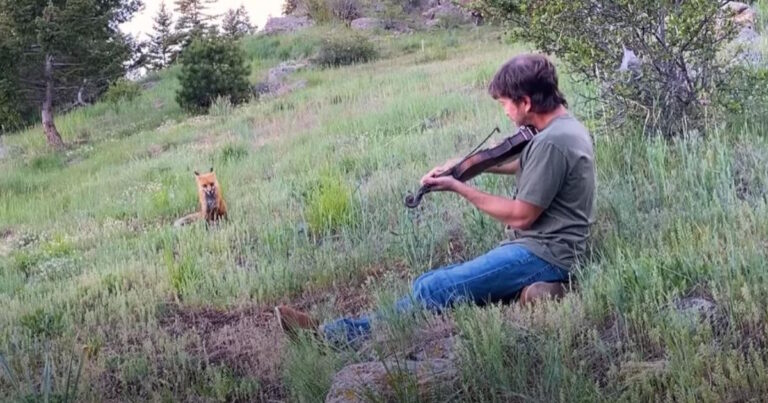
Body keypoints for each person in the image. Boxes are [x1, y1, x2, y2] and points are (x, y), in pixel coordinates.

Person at [275, 53, 596, 344]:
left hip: (544, 254)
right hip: (548, 249)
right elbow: (525, 164)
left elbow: (521, 216)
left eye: (504, 104)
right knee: (440, 287)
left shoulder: (551, 143)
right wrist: (461, 167)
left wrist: (460, 188)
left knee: (434, 288)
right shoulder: (564, 129)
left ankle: (330, 339)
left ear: (525, 102)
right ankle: (540, 293)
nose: (505, 110)